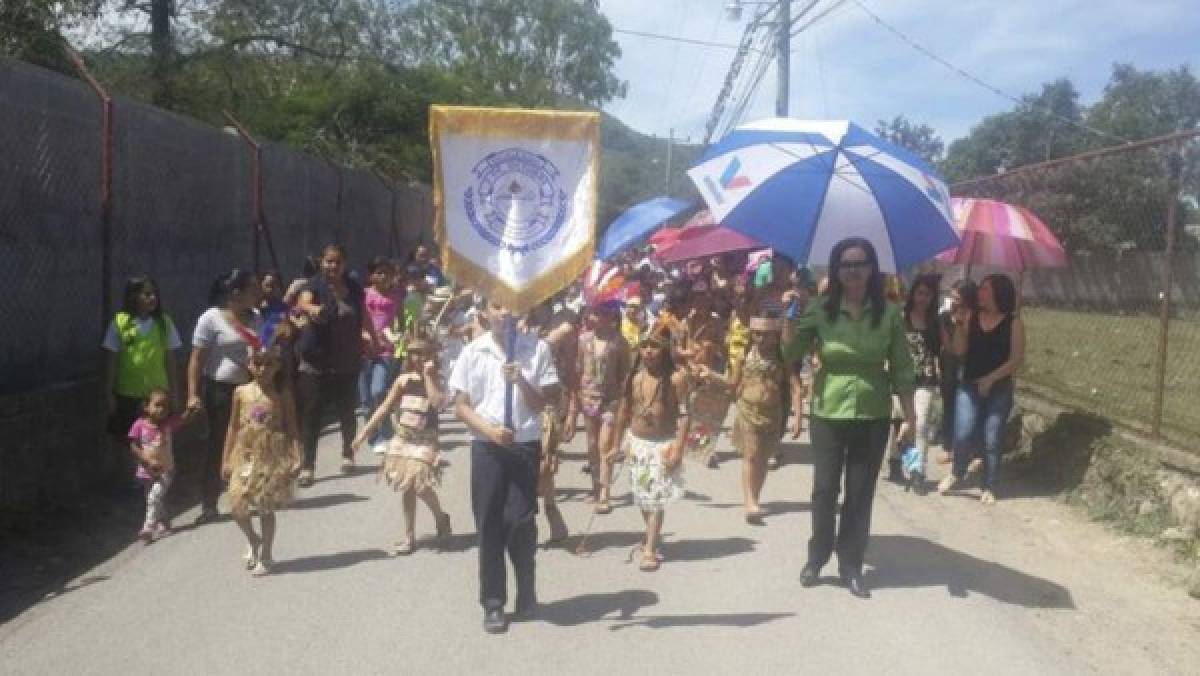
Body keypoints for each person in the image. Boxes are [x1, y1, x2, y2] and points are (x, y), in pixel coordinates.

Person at [784, 237, 916, 599]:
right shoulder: (821, 310)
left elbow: (903, 367)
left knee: (860, 493)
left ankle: (851, 564)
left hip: (873, 411)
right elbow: (791, 351)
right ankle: (817, 557)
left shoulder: (888, 313)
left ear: (872, 269)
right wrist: (792, 315)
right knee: (825, 489)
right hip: (828, 410)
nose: (853, 271)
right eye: (846, 265)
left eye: (860, 264)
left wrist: (910, 417)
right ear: (836, 270)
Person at [447, 299, 559, 634]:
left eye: (511, 305)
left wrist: (521, 380)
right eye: (497, 306)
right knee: (490, 525)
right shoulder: (473, 352)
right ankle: (493, 602)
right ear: (485, 314)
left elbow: (543, 402)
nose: (505, 312)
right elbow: (461, 406)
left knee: (521, 522)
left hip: (523, 444)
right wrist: (490, 432)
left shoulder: (536, 348)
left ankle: (527, 592)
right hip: (487, 446)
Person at [293, 244, 384, 485]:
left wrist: (374, 340)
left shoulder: (354, 289)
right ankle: (308, 466)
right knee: (312, 413)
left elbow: (364, 316)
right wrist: (313, 309)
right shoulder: (314, 285)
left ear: (345, 264)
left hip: (347, 359)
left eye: (338, 262)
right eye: (328, 261)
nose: (332, 266)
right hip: (316, 361)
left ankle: (348, 453)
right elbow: (303, 302)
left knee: (346, 411)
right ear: (321, 262)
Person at [354, 333, 451, 555]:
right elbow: (384, 408)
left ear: (430, 356)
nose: (417, 358)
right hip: (404, 437)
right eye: (413, 353)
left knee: (419, 484)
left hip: (425, 438)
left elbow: (437, 403)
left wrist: (428, 376)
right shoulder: (402, 380)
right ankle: (409, 537)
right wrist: (363, 434)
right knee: (406, 486)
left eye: (422, 354)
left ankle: (440, 517)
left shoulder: (437, 379)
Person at [938, 274, 1025, 505]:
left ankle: (990, 485)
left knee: (992, 437)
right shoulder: (971, 316)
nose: (979, 292)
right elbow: (958, 351)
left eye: (985, 289)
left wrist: (990, 379)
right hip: (969, 385)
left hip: (1000, 388)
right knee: (963, 432)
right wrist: (958, 323)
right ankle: (957, 472)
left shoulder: (1013, 322)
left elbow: (1016, 359)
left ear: (998, 293)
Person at [187, 269, 263, 525]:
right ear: (235, 293)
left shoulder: (257, 319)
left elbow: (262, 349)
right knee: (219, 444)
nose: (257, 293)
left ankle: (248, 494)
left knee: (252, 442)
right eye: (252, 289)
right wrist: (192, 395)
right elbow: (197, 359)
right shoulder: (211, 319)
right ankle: (209, 503)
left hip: (250, 391)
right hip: (220, 391)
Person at [704, 317, 795, 523]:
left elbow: (793, 385)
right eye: (757, 334)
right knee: (751, 455)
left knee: (762, 459)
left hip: (772, 414)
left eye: (766, 335)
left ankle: (756, 496)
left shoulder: (782, 358)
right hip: (747, 410)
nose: (761, 339)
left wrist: (797, 416)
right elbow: (732, 384)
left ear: (775, 336)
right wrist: (710, 374)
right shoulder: (743, 357)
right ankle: (750, 502)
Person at [613, 324, 689, 572]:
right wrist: (615, 444)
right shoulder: (634, 378)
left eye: (654, 346)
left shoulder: (676, 379)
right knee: (642, 496)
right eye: (644, 346)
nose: (648, 351)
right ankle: (651, 534)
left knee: (656, 498)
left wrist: (678, 448)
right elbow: (623, 411)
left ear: (665, 350)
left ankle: (650, 549)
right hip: (637, 443)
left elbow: (684, 416)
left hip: (662, 444)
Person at [221, 346, 303, 576]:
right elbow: (233, 426)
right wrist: (226, 458)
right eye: (257, 363)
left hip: (271, 455)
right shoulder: (241, 392)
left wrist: (297, 454)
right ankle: (253, 538)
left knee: (265, 507)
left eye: (268, 364)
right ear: (249, 365)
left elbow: (292, 427)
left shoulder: (282, 394)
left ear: (277, 367)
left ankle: (266, 554)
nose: (263, 369)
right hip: (244, 453)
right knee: (237, 505)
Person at [103, 276, 184, 480]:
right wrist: (108, 393)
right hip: (127, 392)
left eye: (154, 293)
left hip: (158, 396)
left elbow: (171, 361)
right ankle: (134, 477)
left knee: (158, 437)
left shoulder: (164, 323)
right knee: (129, 439)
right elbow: (111, 361)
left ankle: (158, 475)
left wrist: (174, 393)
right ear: (133, 296)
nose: (152, 298)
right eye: (146, 294)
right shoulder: (120, 322)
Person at [573, 301, 631, 514]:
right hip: (588, 398)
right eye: (592, 314)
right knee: (591, 443)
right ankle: (595, 487)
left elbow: (625, 373)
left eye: (599, 314)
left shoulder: (619, 342)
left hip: (610, 400)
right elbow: (578, 369)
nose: (593, 318)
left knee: (605, 446)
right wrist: (575, 402)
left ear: (611, 318)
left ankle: (605, 493)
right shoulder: (583, 340)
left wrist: (625, 403)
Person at [888, 274, 942, 494]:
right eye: (920, 293)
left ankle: (917, 470)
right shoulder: (900, 317)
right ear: (913, 294)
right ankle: (894, 460)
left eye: (928, 295)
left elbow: (945, 349)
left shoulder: (936, 322)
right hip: (900, 378)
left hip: (925, 379)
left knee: (919, 424)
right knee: (900, 424)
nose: (923, 299)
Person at [127, 388, 192, 542]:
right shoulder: (139, 425)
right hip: (147, 471)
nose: (162, 409)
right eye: (157, 405)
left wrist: (191, 410)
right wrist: (147, 460)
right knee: (154, 498)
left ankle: (148, 527)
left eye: (165, 406)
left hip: (166, 470)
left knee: (154, 497)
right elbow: (133, 445)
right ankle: (163, 521)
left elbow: (184, 419)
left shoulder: (168, 424)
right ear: (146, 407)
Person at [361, 257, 400, 455]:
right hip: (364, 350)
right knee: (366, 399)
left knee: (378, 391)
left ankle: (387, 432)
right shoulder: (364, 295)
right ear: (371, 275)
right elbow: (358, 319)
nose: (383, 276)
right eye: (379, 272)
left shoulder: (396, 296)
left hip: (385, 350)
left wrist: (398, 338)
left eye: (387, 272)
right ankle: (374, 437)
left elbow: (399, 322)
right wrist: (363, 334)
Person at [936, 279, 976, 456]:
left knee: (967, 408)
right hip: (950, 365)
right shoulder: (945, 316)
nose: (952, 300)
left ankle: (968, 448)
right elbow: (950, 347)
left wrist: (962, 323)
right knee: (949, 404)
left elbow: (968, 347)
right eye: (951, 295)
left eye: (957, 297)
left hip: (971, 366)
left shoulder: (975, 317)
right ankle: (949, 447)